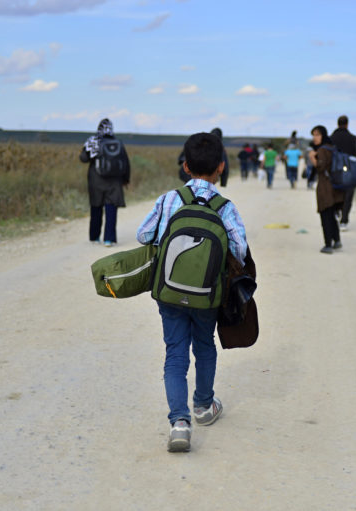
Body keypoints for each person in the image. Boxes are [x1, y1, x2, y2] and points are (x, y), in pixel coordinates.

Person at [136, 132, 248, 452]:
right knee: (204, 345)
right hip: (206, 294)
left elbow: (144, 234)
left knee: (175, 353)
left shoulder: (169, 199)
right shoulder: (225, 206)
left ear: (185, 166)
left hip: (169, 292)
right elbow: (239, 251)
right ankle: (203, 406)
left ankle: (179, 423)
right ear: (221, 168)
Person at [79, 118, 130, 247]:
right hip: (115, 182)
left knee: (96, 207)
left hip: (96, 181)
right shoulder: (118, 143)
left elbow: (83, 158)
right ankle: (109, 239)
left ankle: (95, 237)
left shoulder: (94, 141)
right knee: (111, 209)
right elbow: (125, 163)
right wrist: (125, 180)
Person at [310, 125, 345, 253]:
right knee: (332, 215)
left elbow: (320, 167)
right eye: (313, 135)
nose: (314, 138)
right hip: (336, 188)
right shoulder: (333, 148)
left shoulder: (322, 151)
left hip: (326, 188)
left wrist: (312, 157)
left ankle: (328, 245)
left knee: (325, 216)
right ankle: (337, 240)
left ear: (323, 135)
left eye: (317, 135)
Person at [330, 115, 356, 231]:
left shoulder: (331, 139)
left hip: (335, 171)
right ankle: (344, 220)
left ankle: (336, 212)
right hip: (350, 171)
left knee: (335, 192)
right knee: (348, 196)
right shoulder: (354, 139)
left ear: (337, 124)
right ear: (347, 124)